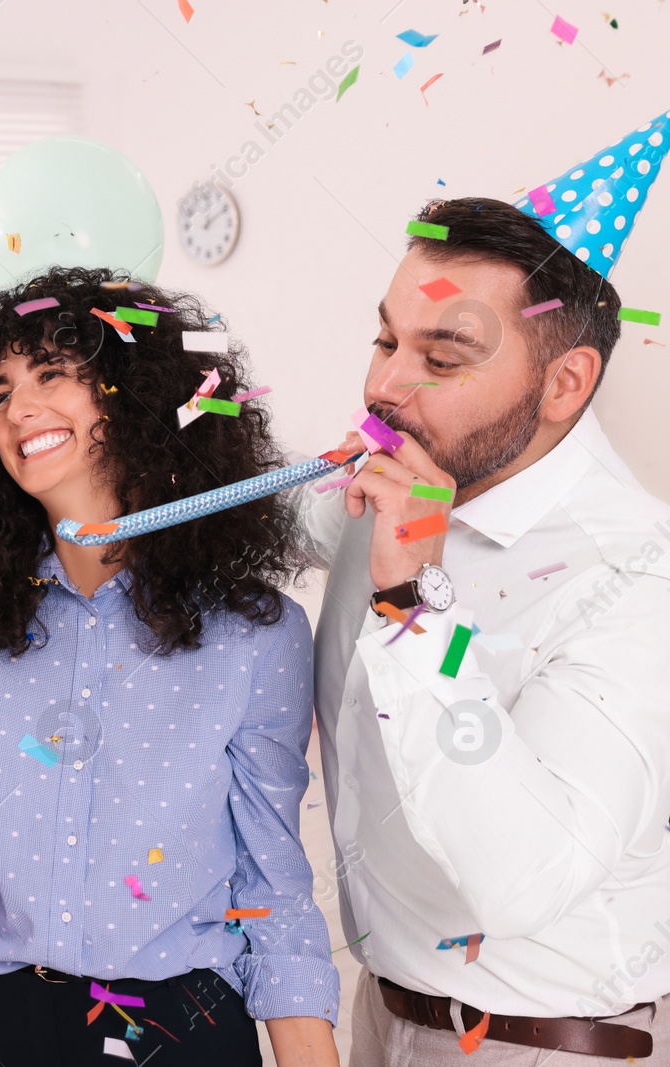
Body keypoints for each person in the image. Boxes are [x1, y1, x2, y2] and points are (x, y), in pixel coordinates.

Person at [0, 266, 341, 1067]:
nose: (18, 409)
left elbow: (272, 874)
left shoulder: (257, 636)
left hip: (182, 1026)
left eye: (52, 375)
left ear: (138, 397)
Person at [305, 149, 670, 1061]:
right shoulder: (399, 476)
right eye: (387, 340)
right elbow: (186, 508)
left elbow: (523, 878)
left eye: (443, 355)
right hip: (379, 1019)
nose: (383, 388)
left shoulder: (638, 576)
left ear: (565, 385)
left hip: (542, 1046)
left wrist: (412, 600)